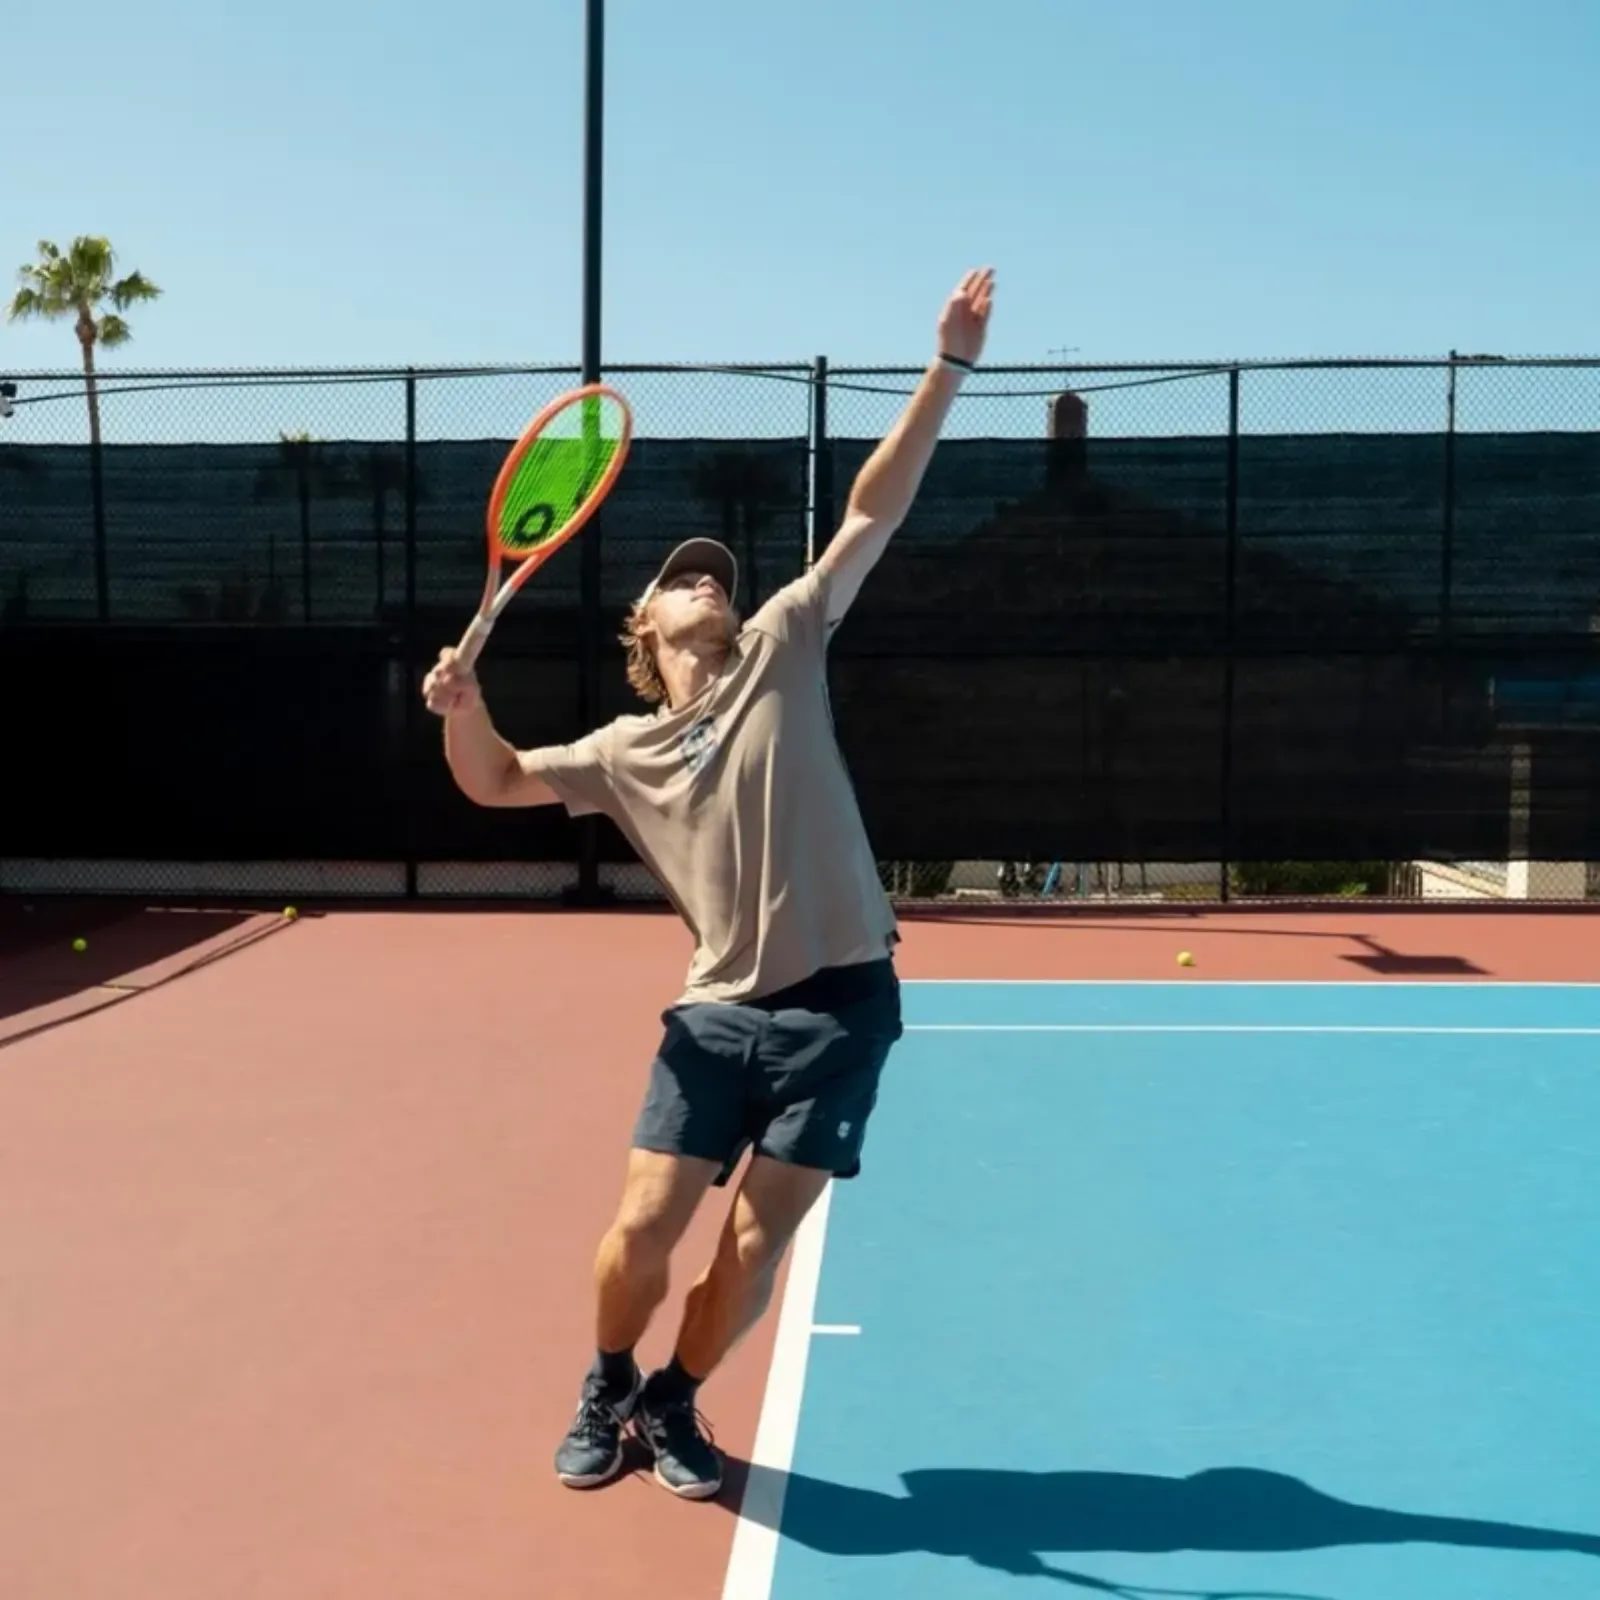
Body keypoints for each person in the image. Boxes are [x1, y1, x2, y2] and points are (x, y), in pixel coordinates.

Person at [420, 267, 995, 1501]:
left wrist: (945, 369)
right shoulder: (620, 752)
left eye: (715, 575)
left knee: (752, 1243)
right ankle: (607, 1375)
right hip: (718, 1013)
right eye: (684, 577)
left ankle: (675, 1403)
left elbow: (869, 513)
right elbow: (496, 780)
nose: (708, 582)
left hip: (845, 1004)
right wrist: (463, 710)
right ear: (644, 625)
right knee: (642, 1227)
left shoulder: (785, 643)